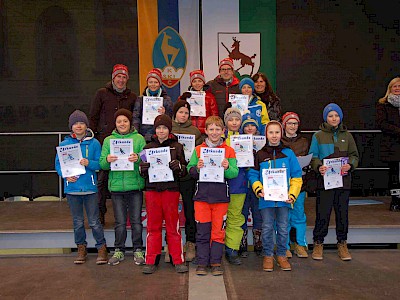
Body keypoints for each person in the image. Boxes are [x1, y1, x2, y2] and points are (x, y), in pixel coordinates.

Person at [187, 116, 239, 276]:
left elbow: (234, 173)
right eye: (211, 129)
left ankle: (216, 262)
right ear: (206, 131)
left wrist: (227, 166)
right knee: (202, 231)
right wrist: (197, 167)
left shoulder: (229, 150)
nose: (214, 132)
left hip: (221, 198)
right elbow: (190, 171)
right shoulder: (198, 150)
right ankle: (202, 262)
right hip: (202, 198)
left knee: (218, 232)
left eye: (218, 129)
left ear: (223, 131)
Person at [248, 121, 302, 272]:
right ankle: (267, 255)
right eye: (271, 132)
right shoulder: (260, 154)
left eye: (277, 132)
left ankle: (281, 255)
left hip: (284, 200)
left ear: (281, 133)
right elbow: (253, 175)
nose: (274, 136)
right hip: (266, 200)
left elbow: (297, 176)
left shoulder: (288, 153)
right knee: (266, 228)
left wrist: (292, 194)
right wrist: (258, 189)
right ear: (266, 134)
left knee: (283, 228)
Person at [55, 110, 108, 265]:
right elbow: (58, 164)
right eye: (75, 123)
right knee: (77, 221)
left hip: (90, 188)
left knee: (94, 221)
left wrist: (89, 163)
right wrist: (65, 175)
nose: (79, 126)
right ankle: (81, 248)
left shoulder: (94, 143)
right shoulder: (64, 145)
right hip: (72, 189)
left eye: (82, 123)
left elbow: (100, 164)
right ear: (71, 127)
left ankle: (101, 248)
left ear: (86, 125)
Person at [309, 103, 359, 261]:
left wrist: (350, 165)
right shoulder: (317, 136)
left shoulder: (347, 135)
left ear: (340, 117)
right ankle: (318, 243)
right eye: (330, 116)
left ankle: (342, 243)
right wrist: (318, 167)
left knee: (342, 213)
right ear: (325, 118)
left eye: (336, 115)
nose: (333, 118)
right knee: (322, 213)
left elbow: (354, 155)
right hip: (325, 182)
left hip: (343, 182)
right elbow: (313, 156)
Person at [139, 115, 188, 274]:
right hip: (152, 191)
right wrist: (143, 169)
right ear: (155, 129)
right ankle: (151, 259)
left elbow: (184, 170)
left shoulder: (177, 147)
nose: (161, 131)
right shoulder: (147, 148)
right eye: (159, 128)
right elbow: (141, 172)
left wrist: (178, 167)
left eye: (164, 128)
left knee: (173, 226)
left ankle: (178, 259)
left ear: (169, 129)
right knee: (153, 226)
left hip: (170, 190)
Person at [89, 64, 137, 225]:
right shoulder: (102, 93)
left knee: (129, 179)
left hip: (127, 144)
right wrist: (94, 137)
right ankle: (99, 214)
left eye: (124, 77)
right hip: (105, 142)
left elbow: (136, 118)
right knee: (102, 181)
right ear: (113, 77)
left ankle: (130, 217)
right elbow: (93, 116)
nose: (121, 80)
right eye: (118, 76)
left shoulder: (132, 97)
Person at [99, 109, 146, 266]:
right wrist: (107, 159)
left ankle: (138, 249)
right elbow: (102, 164)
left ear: (130, 122)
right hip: (117, 188)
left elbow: (146, 159)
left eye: (125, 121)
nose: (122, 124)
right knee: (119, 222)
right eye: (119, 121)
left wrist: (138, 158)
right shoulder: (108, 140)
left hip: (135, 185)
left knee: (136, 221)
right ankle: (119, 250)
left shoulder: (138, 139)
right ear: (115, 124)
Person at [171, 97, 203, 261]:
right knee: (170, 213)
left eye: (186, 112)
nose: (183, 115)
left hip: (188, 176)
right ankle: (171, 244)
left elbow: (199, 153)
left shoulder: (195, 131)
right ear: (175, 113)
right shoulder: (167, 128)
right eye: (180, 112)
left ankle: (191, 242)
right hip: (170, 176)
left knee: (190, 210)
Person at [281, 112, 310, 258]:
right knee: (283, 217)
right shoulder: (278, 141)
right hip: (281, 185)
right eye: (290, 123)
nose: (292, 126)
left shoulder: (304, 141)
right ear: (284, 124)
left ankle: (300, 244)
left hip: (300, 185)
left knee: (299, 215)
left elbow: (311, 159)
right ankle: (284, 246)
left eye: (295, 123)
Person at [222, 108, 247, 265]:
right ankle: (216, 247)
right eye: (231, 120)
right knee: (218, 217)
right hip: (220, 183)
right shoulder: (219, 137)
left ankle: (232, 248)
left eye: (237, 119)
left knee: (235, 216)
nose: (234, 122)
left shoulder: (247, 139)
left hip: (239, 183)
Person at [239, 112, 263, 257]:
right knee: (242, 213)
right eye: (246, 126)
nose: (249, 128)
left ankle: (258, 243)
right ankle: (241, 243)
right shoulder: (238, 142)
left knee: (258, 214)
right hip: (242, 183)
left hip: (258, 184)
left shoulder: (263, 143)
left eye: (252, 126)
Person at [376, 77, 400, 212]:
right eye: (394, 86)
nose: (397, 88)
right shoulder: (383, 105)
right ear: (390, 89)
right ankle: (395, 200)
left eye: (399, 86)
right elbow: (382, 124)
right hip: (391, 146)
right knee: (394, 175)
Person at [133, 68, 173, 142]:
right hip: (143, 135)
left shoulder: (166, 100)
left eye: (156, 82)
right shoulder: (140, 99)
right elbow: (136, 117)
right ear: (147, 83)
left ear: (160, 83)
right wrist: (136, 134)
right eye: (150, 82)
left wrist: (165, 114)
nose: (153, 85)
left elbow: (171, 119)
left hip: (160, 136)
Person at [187, 70, 219, 134]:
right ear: (191, 83)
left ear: (203, 83)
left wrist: (212, 129)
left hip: (205, 131)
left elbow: (214, 116)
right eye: (194, 81)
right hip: (190, 131)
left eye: (199, 81)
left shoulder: (210, 97)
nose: (197, 84)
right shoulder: (186, 96)